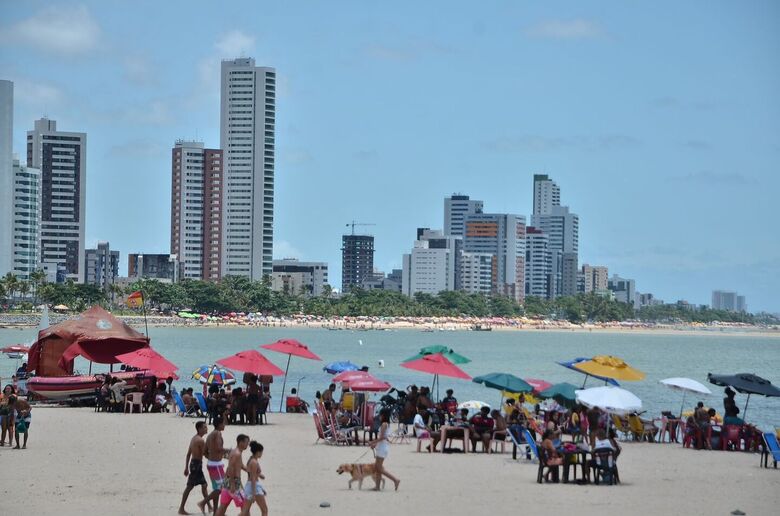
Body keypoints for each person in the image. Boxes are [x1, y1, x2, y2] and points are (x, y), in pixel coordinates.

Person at [179, 421, 210, 515]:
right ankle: (181, 509)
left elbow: (188, 454)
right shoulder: (200, 441)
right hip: (196, 465)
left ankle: (209, 506)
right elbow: (206, 454)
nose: (206, 429)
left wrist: (186, 467)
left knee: (204, 485)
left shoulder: (194, 438)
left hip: (193, 464)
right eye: (204, 427)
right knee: (190, 487)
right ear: (199, 429)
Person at [215, 434, 250, 516]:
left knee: (223, 506)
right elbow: (230, 468)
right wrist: (233, 484)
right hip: (234, 482)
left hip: (228, 481)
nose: (247, 445)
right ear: (241, 442)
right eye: (246, 442)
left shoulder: (235, 452)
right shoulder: (237, 453)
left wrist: (250, 471)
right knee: (245, 506)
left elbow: (240, 465)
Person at [198, 416, 227, 514]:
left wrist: (212, 457)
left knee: (217, 488)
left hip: (212, 464)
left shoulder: (210, 435)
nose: (225, 425)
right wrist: (229, 451)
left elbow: (205, 451)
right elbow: (219, 448)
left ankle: (215, 512)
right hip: (216, 465)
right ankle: (203, 503)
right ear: (219, 425)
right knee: (221, 488)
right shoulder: (218, 433)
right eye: (223, 423)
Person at [368, 408, 400, 491]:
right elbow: (383, 437)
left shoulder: (384, 424)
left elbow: (382, 437)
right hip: (382, 446)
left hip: (382, 447)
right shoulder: (386, 424)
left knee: (379, 468)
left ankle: (395, 480)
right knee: (378, 467)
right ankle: (377, 486)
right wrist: (375, 444)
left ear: (383, 415)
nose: (379, 416)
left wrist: (373, 442)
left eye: (380, 415)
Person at [240, 441, 268, 516]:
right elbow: (253, 478)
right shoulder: (254, 462)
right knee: (264, 510)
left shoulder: (251, 460)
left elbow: (251, 473)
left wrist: (259, 475)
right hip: (254, 487)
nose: (262, 454)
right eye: (262, 452)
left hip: (249, 486)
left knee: (245, 512)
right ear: (258, 452)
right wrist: (254, 494)